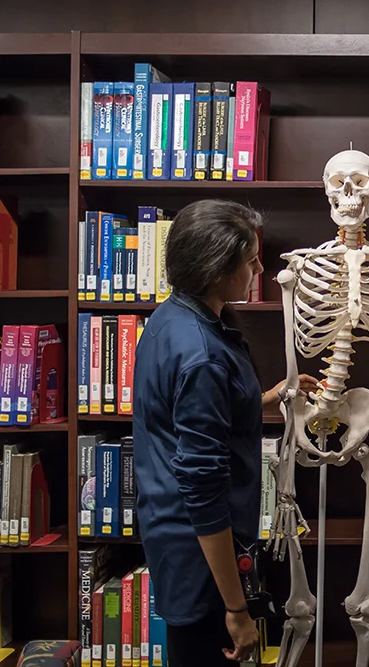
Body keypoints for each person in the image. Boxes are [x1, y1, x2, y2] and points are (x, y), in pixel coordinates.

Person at [132, 199, 316, 666]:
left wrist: (268, 397)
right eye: (250, 259)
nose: (260, 267)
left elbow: (194, 418)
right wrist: (236, 608)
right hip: (201, 558)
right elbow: (201, 486)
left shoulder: (170, 317)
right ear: (216, 269)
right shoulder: (202, 354)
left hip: (175, 539)